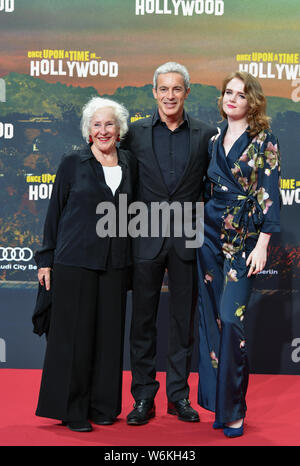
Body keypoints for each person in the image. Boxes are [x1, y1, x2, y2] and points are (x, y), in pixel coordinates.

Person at [120, 62, 217, 425]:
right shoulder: (136, 133)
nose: (170, 95)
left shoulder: (207, 134)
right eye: (163, 89)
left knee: (182, 321)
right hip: (145, 237)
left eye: (177, 89)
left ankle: (179, 395)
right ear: (154, 92)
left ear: (187, 92)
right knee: (142, 321)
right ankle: (143, 396)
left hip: (188, 239)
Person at [34, 96, 136, 432]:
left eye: (109, 124)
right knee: (74, 338)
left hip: (115, 263)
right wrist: (45, 260)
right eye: (97, 125)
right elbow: (55, 213)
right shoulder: (71, 164)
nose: (104, 130)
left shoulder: (130, 164)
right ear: (88, 131)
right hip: (74, 261)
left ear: (119, 129)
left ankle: (104, 406)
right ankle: (72, 409)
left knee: (109, 338)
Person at [197, 71, 281, 437]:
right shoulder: (214, 138)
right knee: (213, 320)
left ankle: (235, 408)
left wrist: (263, 243)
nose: (231, 98)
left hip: (243, 239)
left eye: (240, 94)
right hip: (209, 236)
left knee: (232, 321)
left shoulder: (265, 140)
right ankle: (218, 405)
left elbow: (269, 194)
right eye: (227, 92)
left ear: (253, 101)